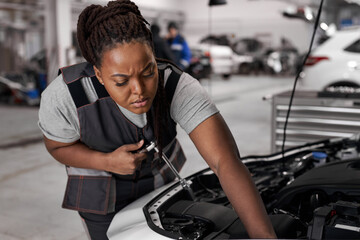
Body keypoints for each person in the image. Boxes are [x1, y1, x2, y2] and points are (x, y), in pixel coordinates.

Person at [38, 0, 277, 239]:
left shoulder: (176, 85)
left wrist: (264, 236)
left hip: (161, 188)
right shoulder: (65, 96)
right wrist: (106, 162)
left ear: (154, 56)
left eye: (148, 72)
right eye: (121, 81)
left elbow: (225, 161)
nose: (139, 90)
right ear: (99, 74)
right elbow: (57, 146)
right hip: (99, 198)